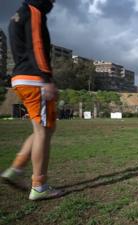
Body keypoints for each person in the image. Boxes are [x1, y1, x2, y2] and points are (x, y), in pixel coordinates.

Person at [1, 0, 62, 200]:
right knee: (43, 130)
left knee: (42, 128)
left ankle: (17, 168)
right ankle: (39, 185)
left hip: (21, 78)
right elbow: (37, 46)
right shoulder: (33, 12)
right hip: (35, 79)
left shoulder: (17, 14)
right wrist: (46, 78)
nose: (53, 2)